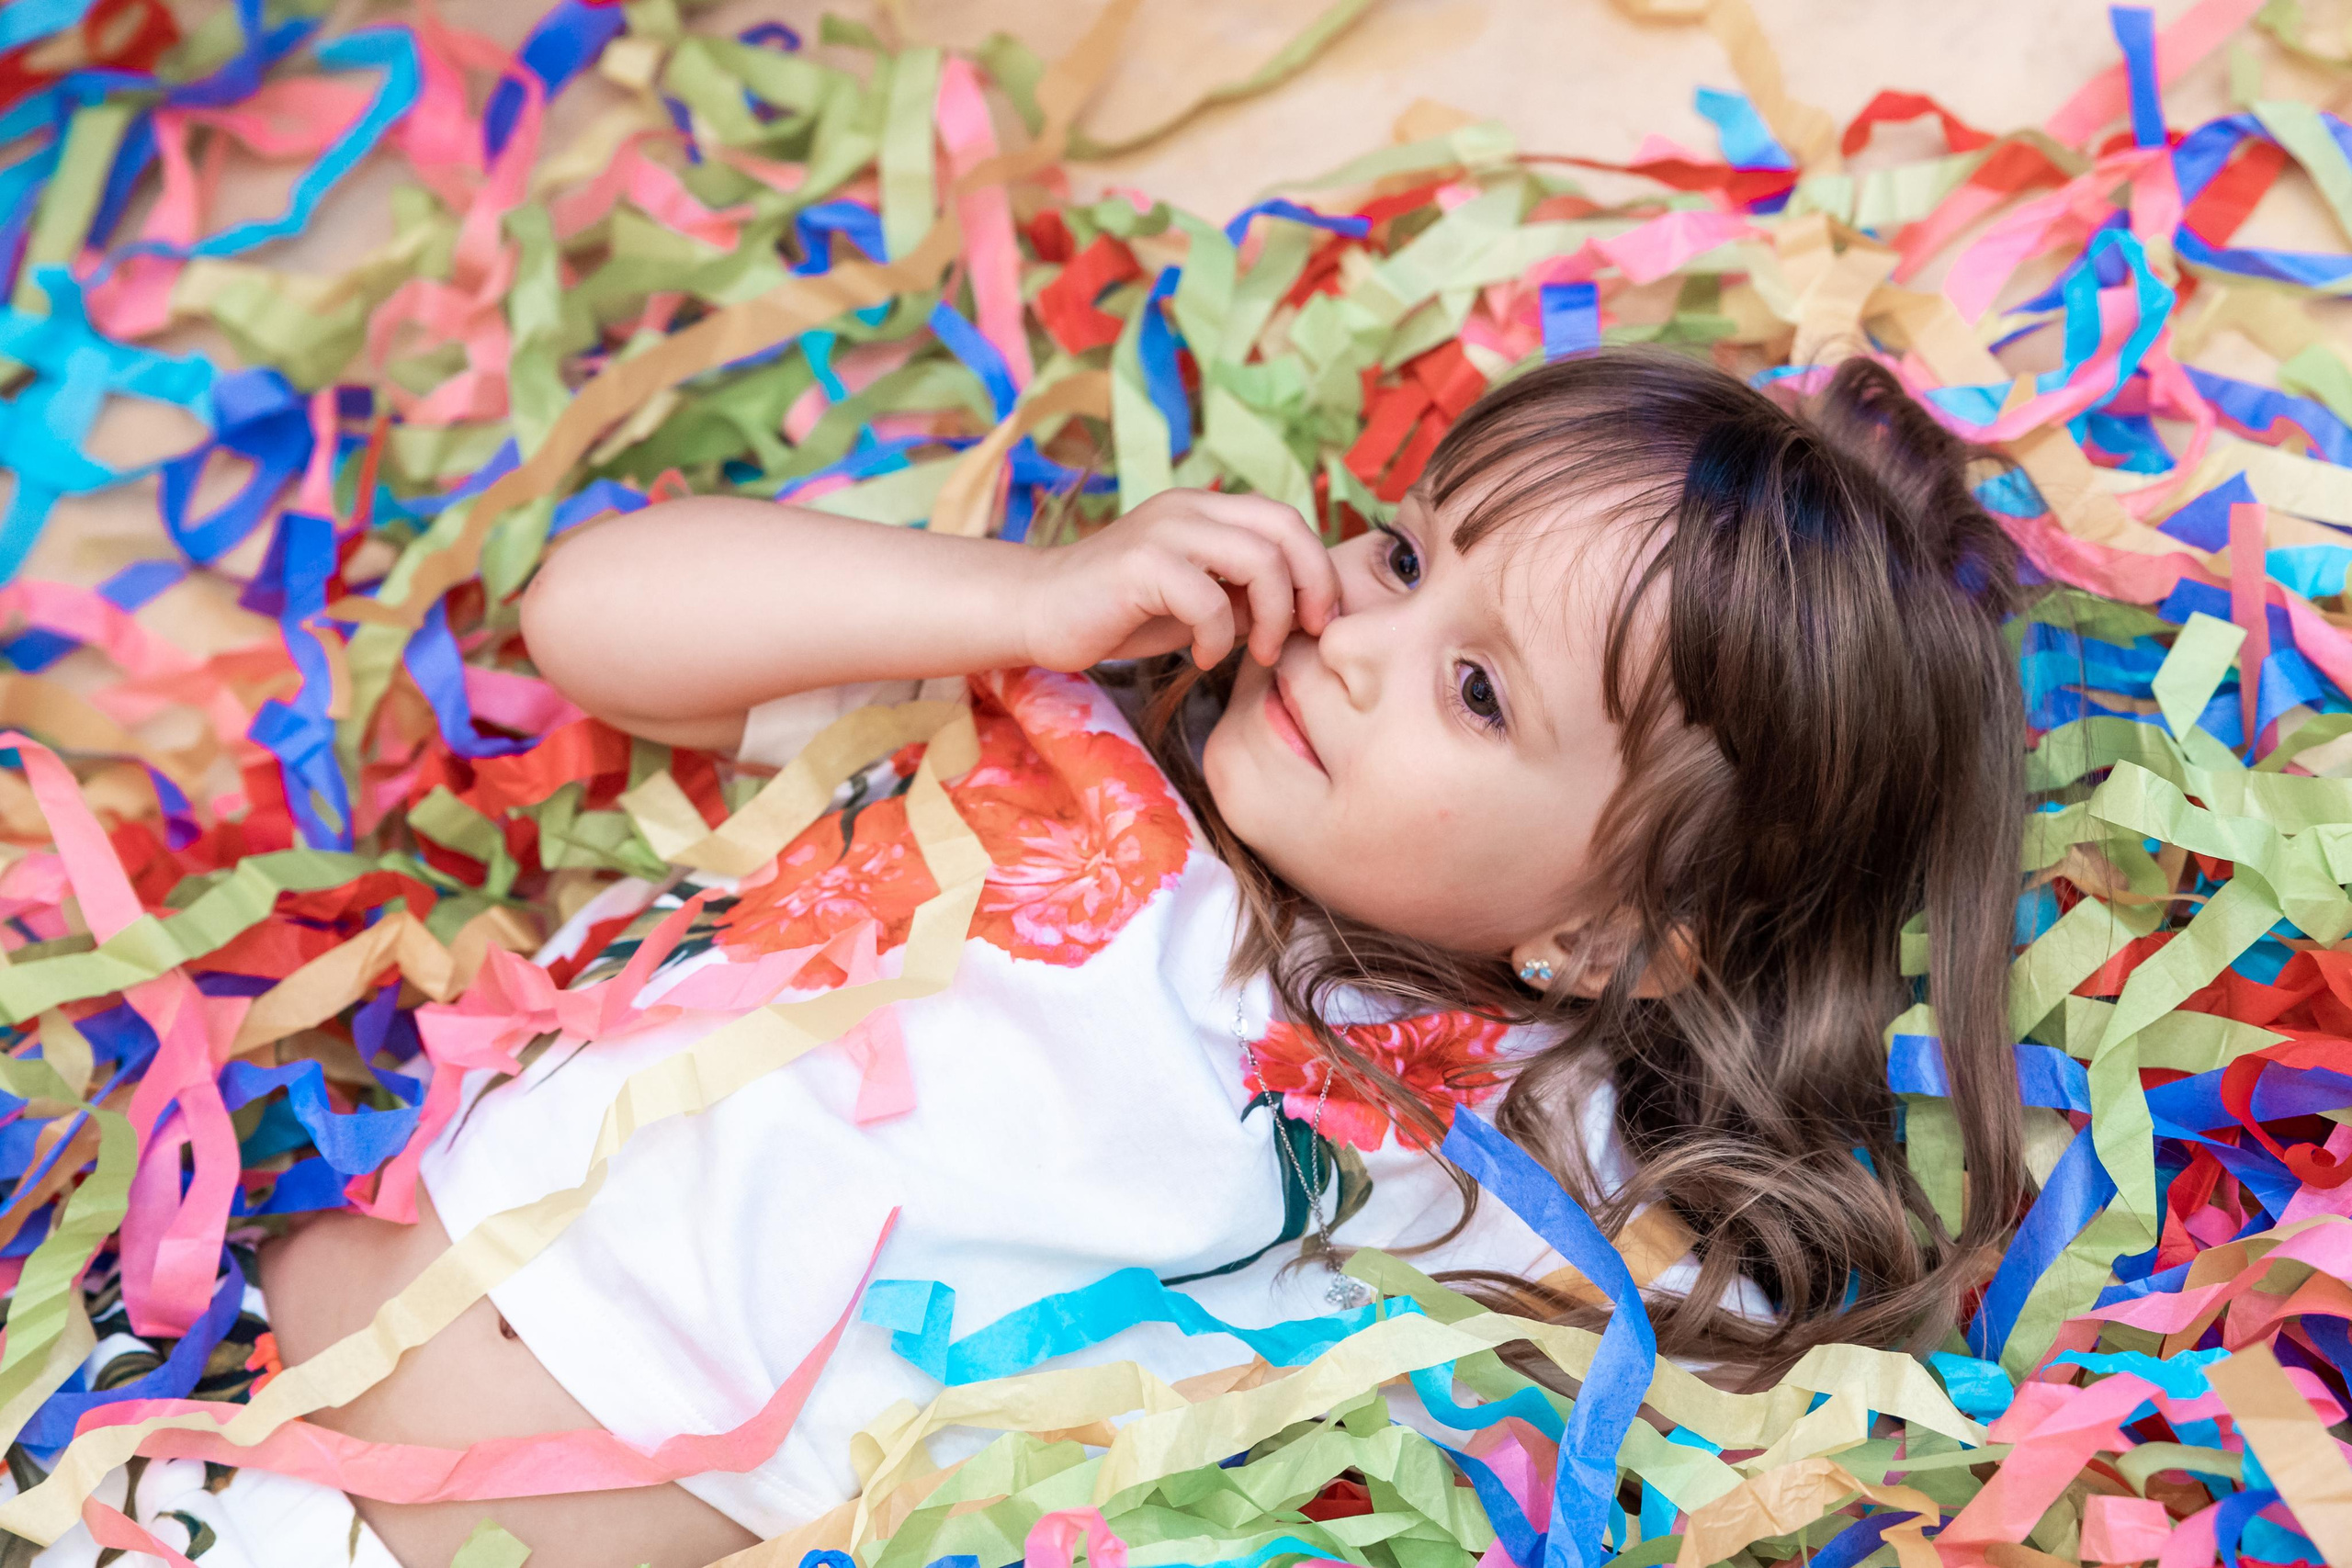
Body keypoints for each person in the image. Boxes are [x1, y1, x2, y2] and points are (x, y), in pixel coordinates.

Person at [256, 348, 2032, 1568]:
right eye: (1406, 556)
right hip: (210, 1374)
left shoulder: (1487, 1132)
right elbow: (588, 615)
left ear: (1604, 935)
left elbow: (1735, 1363)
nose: (1360, 641)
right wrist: (1020, 599)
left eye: (1478, 691)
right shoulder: (1054, 718)